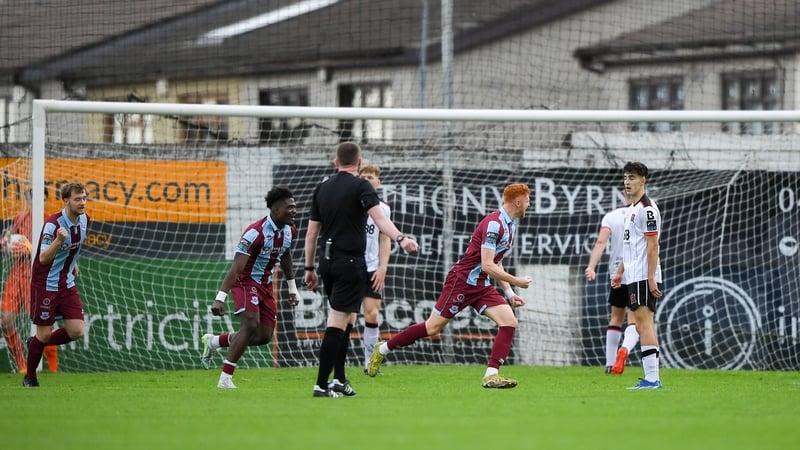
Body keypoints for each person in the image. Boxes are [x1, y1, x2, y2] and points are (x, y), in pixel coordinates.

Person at [367, 183, 533, 389]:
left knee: (509, 322)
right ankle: (382, 349)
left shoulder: (510, 225)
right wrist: (517, 281)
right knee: (432, 327)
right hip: (461, 282)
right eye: (527, 200)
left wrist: (509, 292)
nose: (529, 204)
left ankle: (491, 375)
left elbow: (495, 261)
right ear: (518, 201)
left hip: (481, 284)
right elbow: (488, 264)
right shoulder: (494, 224)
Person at [304, 142, 419, 398]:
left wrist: (309, 267)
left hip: (326, 262)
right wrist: (403, 239)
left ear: (335, 162)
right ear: (359, 162)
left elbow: (312, 233)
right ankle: (321, 384)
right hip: (350, 264)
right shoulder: (361, 186)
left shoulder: (322, 188)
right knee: (337, 322)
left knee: (348, 320)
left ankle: (340, 379)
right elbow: (380, 220)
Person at [200, 187, 300, 388]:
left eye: (294, 207)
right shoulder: (255, 232)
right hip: (245, 282)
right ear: (275, 209)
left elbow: (285, 255)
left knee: (263, 336)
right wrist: (220, 297)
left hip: (265, 285)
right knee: (250, 325)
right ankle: (225, 378)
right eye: (290, 207)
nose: (294, 211)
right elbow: (237, 267)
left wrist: (292, 287)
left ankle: (215, 342)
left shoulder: (290, 230)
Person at [23, 182, 89, 387]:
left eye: (84, 198)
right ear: (66, 201)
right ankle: (30, 377)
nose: (82, 203)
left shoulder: (85, 219)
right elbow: (43, 258)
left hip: (66, 282)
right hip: (45, 284)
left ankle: (35, 344)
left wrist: (73, 261)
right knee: (43, 333)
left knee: (76, 331)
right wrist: (58, 241)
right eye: (77, 199)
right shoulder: (53, 224)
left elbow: (74, 246)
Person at [611, 161, 663, 390]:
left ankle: (653, 379)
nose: (627, 182)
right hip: (633, 276)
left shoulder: (647, 209)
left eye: (631, 177)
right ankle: (651, 378)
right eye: (625, 178)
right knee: (642, 326)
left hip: (644, 276)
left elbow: (653, 246)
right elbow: (631, 245)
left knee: (644, 325)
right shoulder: (631, 210)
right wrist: (620, 271)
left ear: (643, 180)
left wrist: (651, 278)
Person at [1, 207, 59, 374]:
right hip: (19, 271)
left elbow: (56, 250)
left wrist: (30, 247)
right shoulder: (20, 217)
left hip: (38, 274)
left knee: (43, 323)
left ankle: (54, 369)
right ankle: (22, 366)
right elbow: (7, 239)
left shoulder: (51, 220)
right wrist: (7, 244)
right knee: (6, 319)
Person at [585, 201, 639, 375]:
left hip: (616, 272)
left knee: (615, 318)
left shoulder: (611, 216)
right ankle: (624, 350)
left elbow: (601, 242)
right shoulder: (644, 213)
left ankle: (609, 364)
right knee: (635, 320)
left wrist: (591, 267)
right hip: (637, 272)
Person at [357, 164, 392, 374]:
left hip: (372, 269)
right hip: (350, 267)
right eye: (364, 176)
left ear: (378, 182)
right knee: (346, 318)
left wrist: (382, 268)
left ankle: (369, 363)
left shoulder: (383, 208)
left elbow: (384, 239)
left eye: (371, 177)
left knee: (371, 313)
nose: (368, 179)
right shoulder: (350, 203)